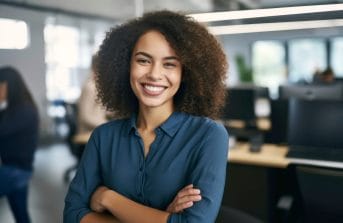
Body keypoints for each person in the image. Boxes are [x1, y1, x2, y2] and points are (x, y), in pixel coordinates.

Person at [64, 10, 229, 223]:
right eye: (143, 60)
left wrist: (108, 198)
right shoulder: (103, 136)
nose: (154, 74)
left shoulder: (208, 135)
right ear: (125, 65)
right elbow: (72, 215)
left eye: (169, 64)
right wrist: (164, 217)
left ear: (185, 73)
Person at [0, 66, 39, 223]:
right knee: (21, 215)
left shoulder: (24, 111)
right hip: (16, 169)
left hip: (16, 171)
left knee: (21, 213)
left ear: (10, 86)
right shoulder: (12, 109)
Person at [77, 55, 108, 134]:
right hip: (89, 133)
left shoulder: (97, 86)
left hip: (98, 130)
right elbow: (85, 117)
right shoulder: (90, 87)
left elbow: (100, 110)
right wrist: (106, 124)